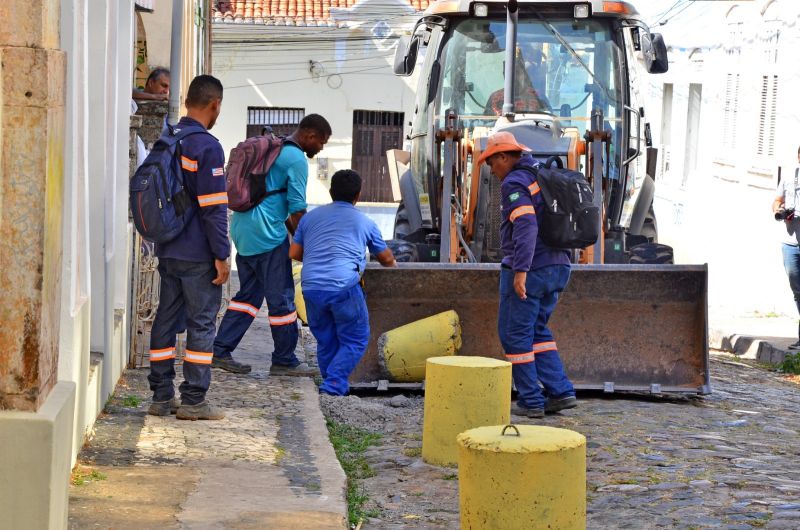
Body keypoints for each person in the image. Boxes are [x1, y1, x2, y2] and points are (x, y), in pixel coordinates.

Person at [212, 114, 332, 375]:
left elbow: (285, 208)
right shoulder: (296, 159)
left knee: (249, 296)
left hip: (244, 231)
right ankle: (284, 360)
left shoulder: (276, 150)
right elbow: (298, 210)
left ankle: (220, 350)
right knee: (282, 300)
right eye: (321, 142)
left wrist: (297, 239)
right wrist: (311, 246)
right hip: (267, 234)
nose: (321, 148)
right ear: (310, 135)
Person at [147, 75, 230, 420]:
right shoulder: (206, 146)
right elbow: (213, 207)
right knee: (201, 324)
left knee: (165, 320)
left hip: (168, 248)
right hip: (198, 253)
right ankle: (194, 400)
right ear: (214, 104)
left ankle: (161, 396)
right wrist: (222, 254)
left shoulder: (168, 139)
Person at [477, 131, 577, 418]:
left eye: (491, 162)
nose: (490, 169)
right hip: (558, 266)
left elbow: (526, 226)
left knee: (514, 334)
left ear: (504, 156)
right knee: (537, 331)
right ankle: (560, 392)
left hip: (531, 269)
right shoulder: (543, 174)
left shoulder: (515, 181)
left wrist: (520, 270)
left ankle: (531, 400)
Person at [288, 170, 397, 395]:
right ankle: (333, 385)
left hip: (311, 288)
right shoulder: (365, 222)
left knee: (326, 339)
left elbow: (295, 252)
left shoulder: (310, 217)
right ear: (358, 195)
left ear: (330, 192)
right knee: (356, 339)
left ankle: (330, 385)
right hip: (343, 287)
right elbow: (386, 259)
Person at [772, 145, 800, 349]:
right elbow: (777, 200)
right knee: (797, 290)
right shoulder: (789, 176)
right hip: (790, 242)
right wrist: (778, 209)